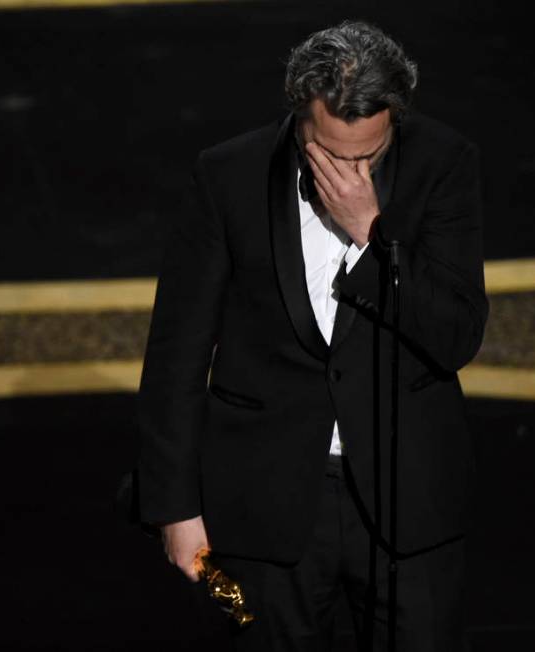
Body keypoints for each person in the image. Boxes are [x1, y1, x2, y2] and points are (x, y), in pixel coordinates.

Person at [136, 19, 488, 652]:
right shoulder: (226, 175)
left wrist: (373, 235)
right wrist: (174, 512)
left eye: (368, 156)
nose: (349, 173)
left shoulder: (446, 163)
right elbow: (176, 355)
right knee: (237, 626)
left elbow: (456, 336)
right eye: (329, 153)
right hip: (255, 518)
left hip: (412, 510)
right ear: (299, 113)